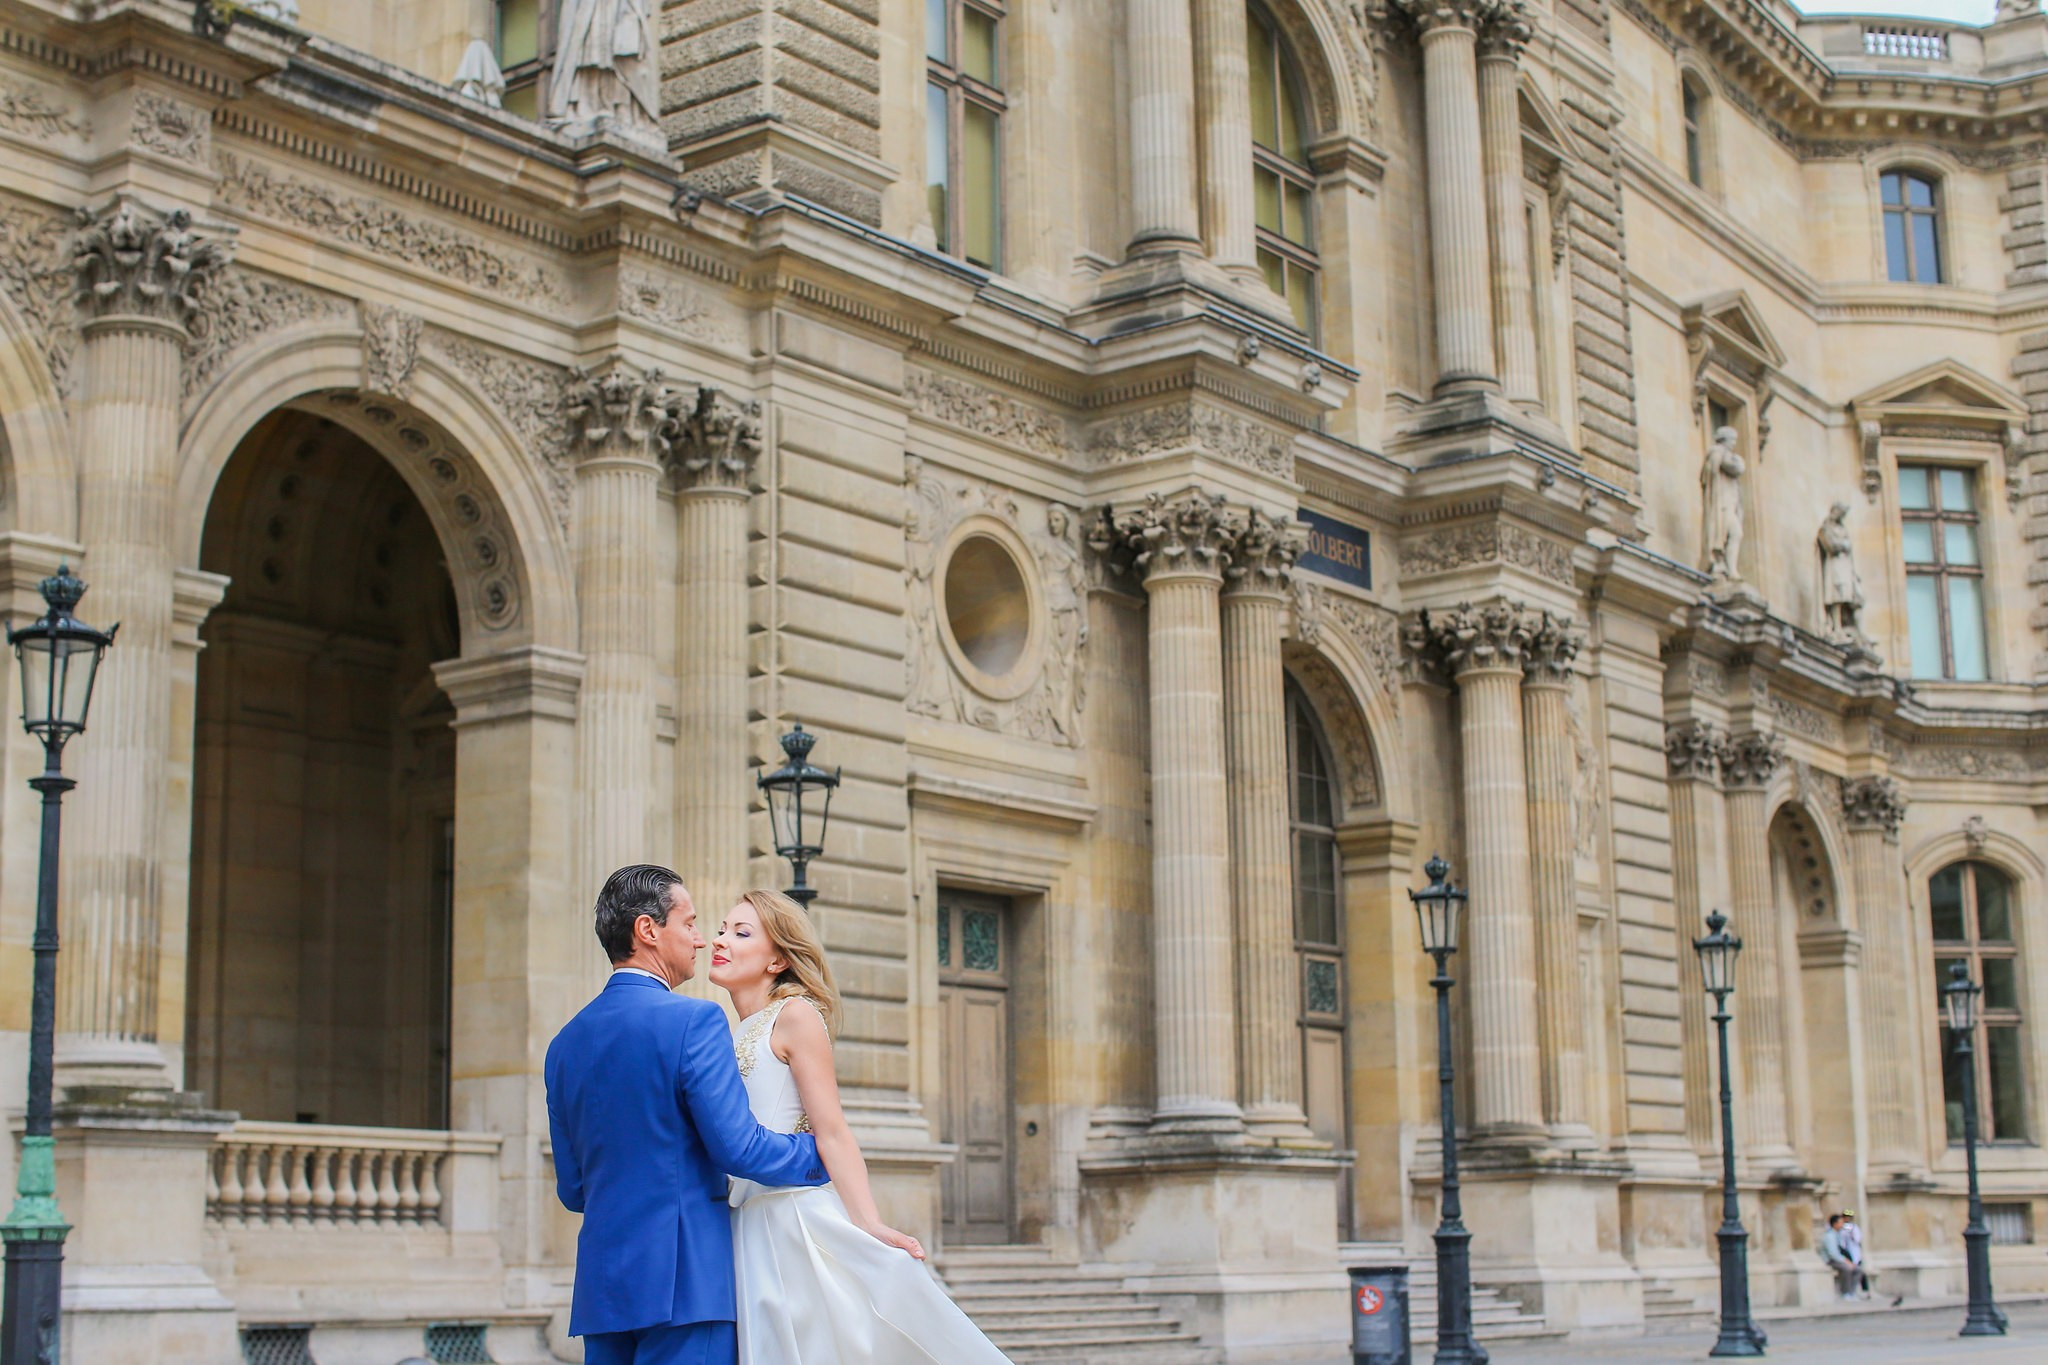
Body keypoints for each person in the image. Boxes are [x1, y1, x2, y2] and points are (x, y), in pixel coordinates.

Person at [709, 888, 1014, 1365]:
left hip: (792, 1220)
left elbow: (831, 1130)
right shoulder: (727, 1031)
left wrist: (868, 1221)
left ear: (777, 961)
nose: (720, 940)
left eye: (741, 932)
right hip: (743, 1224)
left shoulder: (795, 1015)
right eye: (722, 929)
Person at [545, 865, 829, 1365]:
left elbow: (572, 1190)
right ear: (648, 931)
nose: (700, 940)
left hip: (602, 1290)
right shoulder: (692, 1020)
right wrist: (818, 1150)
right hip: (685, 1283)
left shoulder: (563, 1045)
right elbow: (737, 1148)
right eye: (690, 923)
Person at [1820, 1212, 1859, 1301]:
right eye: (1841, 1223)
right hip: (1831, 1260)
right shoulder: (1829, 1236)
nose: (1843, 1225)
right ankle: (1845, 1293)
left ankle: (1852, 1292)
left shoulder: (1840, 1233)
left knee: (1858, 1269)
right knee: (1847, 1268)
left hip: (1841, 1258)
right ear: (1835, 1224)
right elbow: (1833, 1254)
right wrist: (1846, 1261)